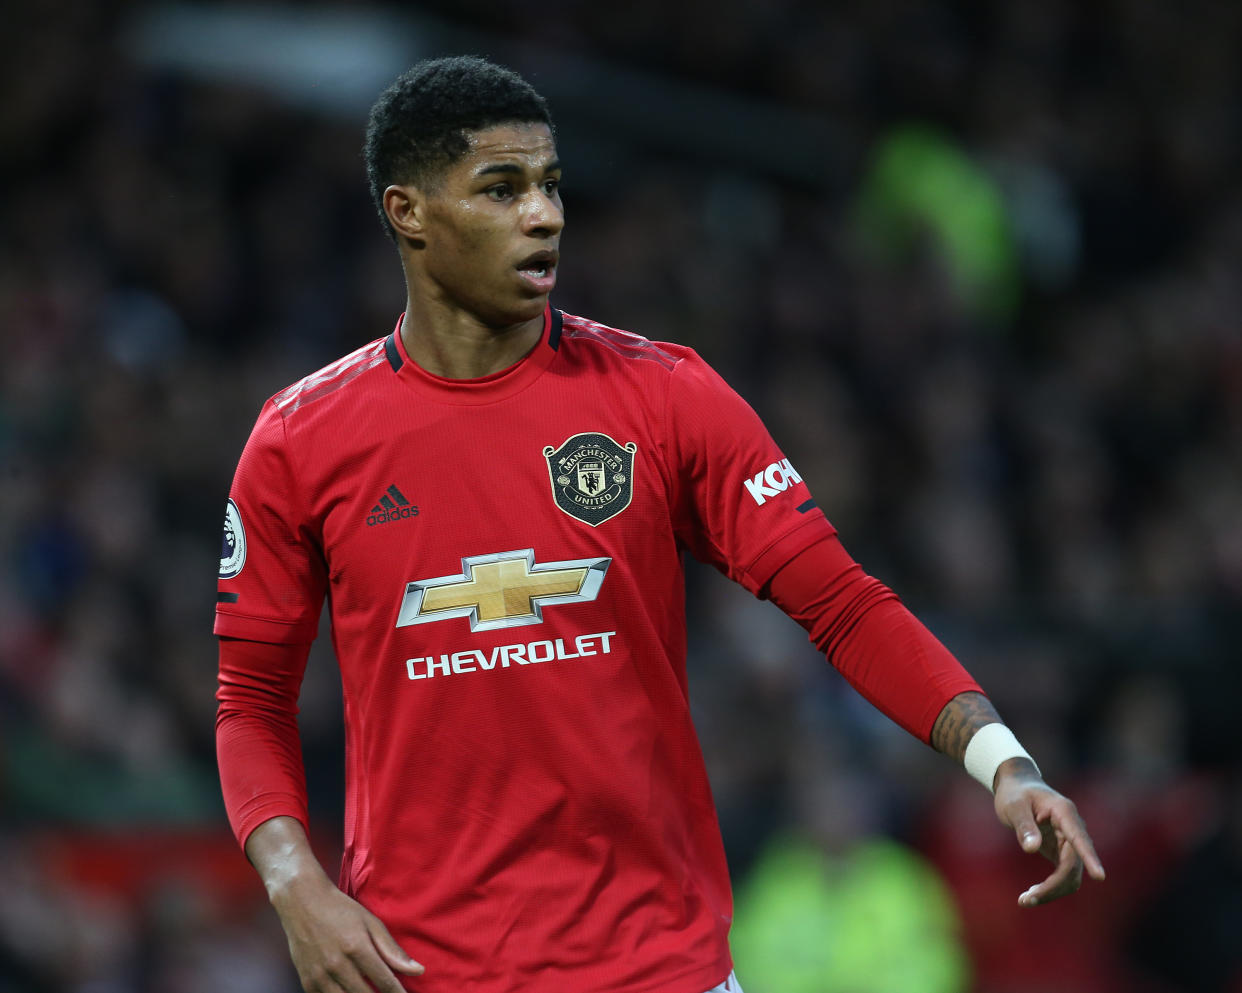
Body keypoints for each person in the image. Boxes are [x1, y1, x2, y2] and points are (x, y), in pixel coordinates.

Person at [214, 56, 1105, 993]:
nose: (546, 214)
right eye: (503, 188)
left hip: (657, 968)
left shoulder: (664, 395)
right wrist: (294, 883)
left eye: (552, 185)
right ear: (409, 212)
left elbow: (840, 601)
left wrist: (1002, 760)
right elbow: (250, 698)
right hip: (422, 972)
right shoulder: (300, 440)